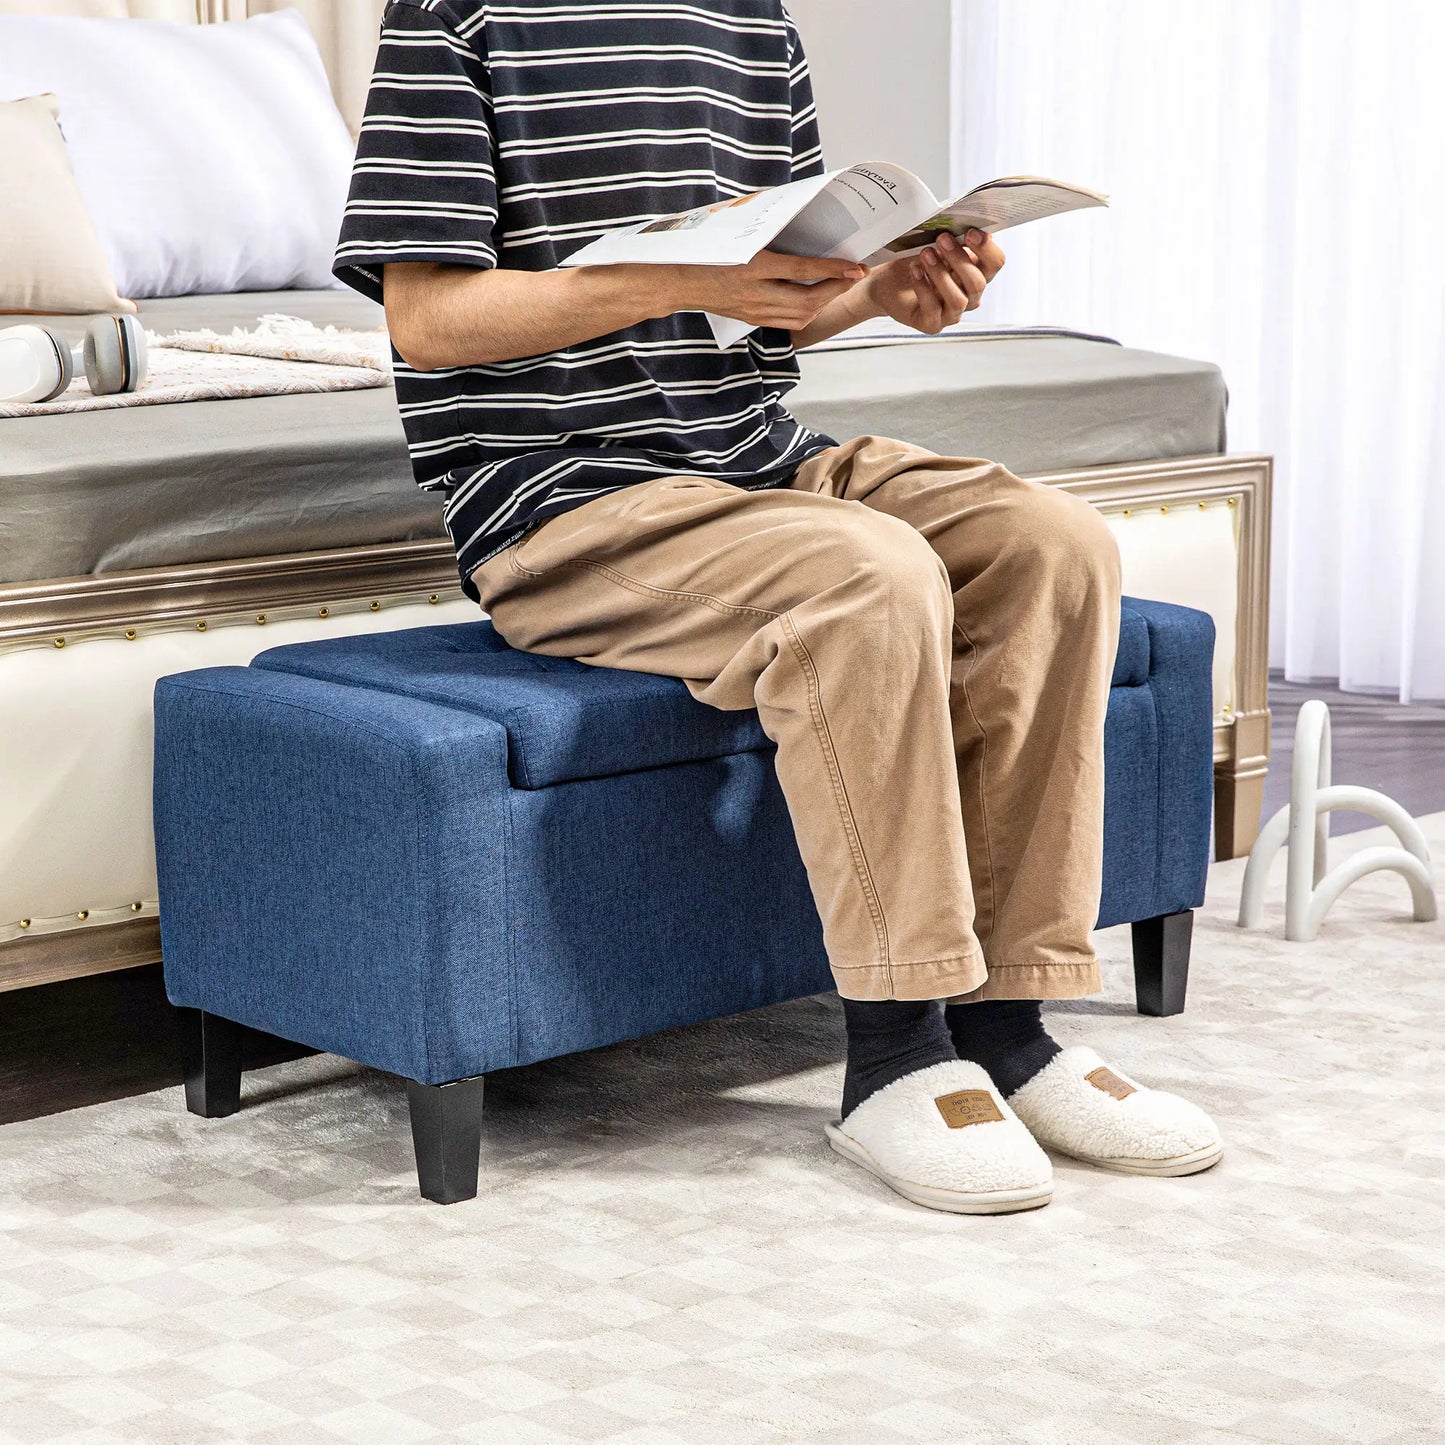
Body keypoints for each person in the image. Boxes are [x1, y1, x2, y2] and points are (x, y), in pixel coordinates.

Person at [336, 0, 1222, 1214]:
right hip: (560, 498)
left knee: (1048, 543)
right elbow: (426, 317)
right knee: (865, 572)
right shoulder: (456, 11)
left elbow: (769, 303)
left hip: (752, 457)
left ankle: (1009, 1021)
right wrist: (683, 277)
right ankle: (895, 1052)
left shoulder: (747, 18)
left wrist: (886, 288)